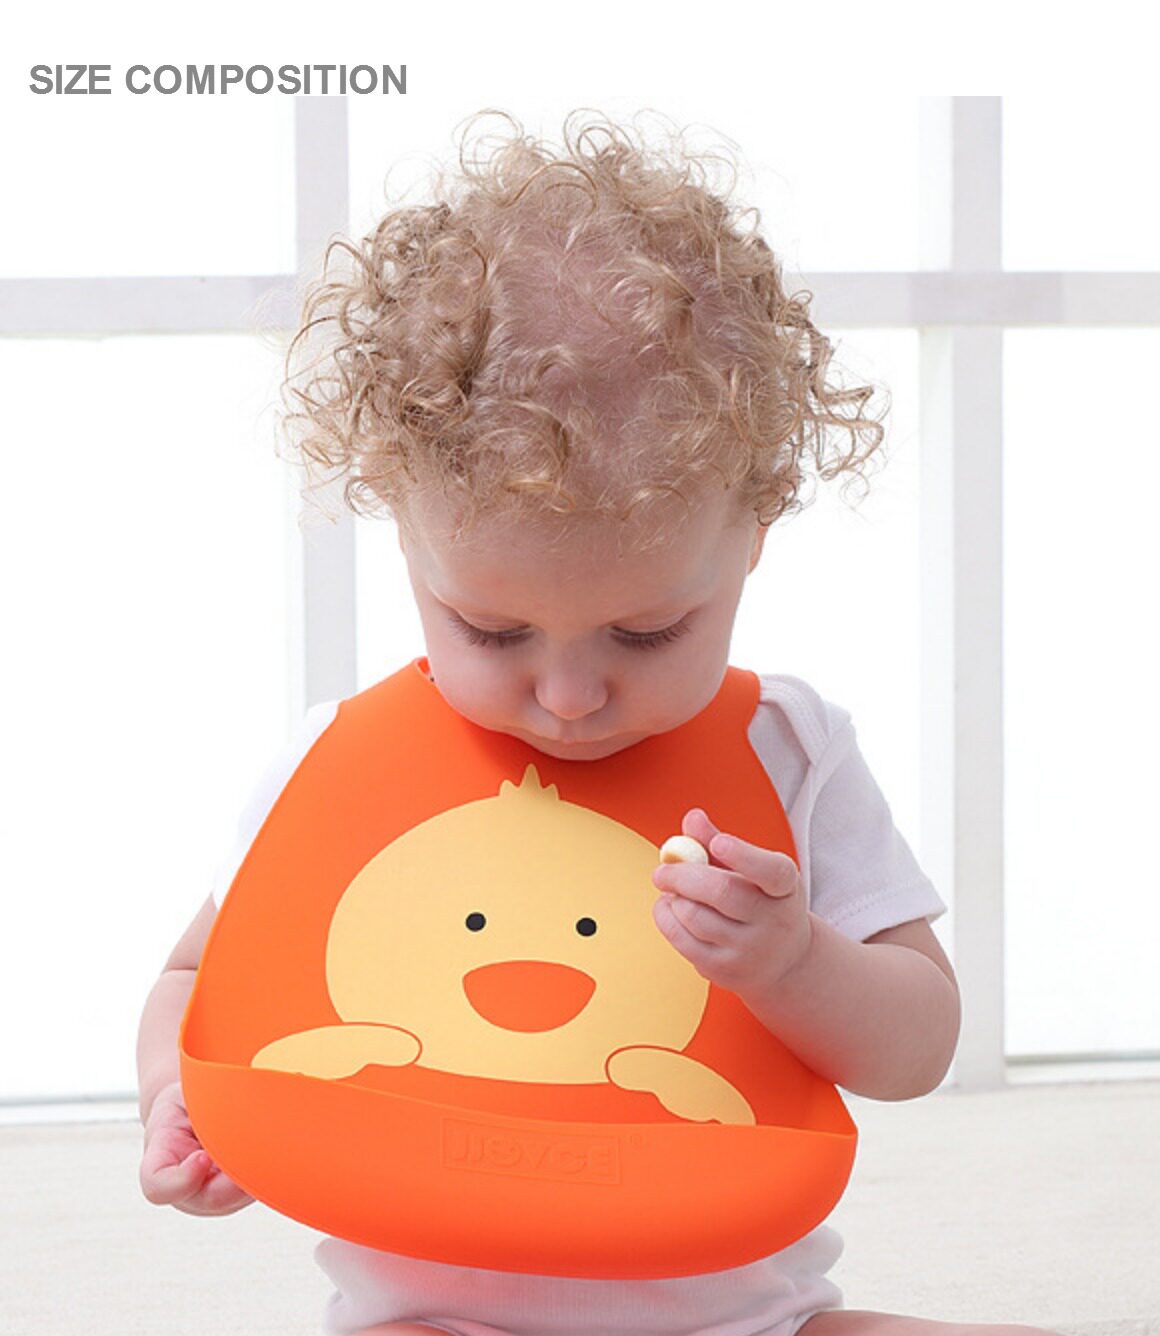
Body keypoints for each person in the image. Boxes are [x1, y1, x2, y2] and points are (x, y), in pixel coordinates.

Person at [137, 109, 1062, 1336]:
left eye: (645, 633)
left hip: (750, 1318)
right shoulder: (339, 761)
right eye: (492, 631)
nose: (569, 696)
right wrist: (181, 1104)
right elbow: (198, 977)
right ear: (406, 536)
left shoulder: (788, 750)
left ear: (752, 537)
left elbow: (917, 1047)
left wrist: (793, 961)